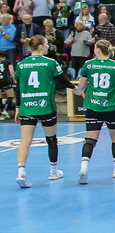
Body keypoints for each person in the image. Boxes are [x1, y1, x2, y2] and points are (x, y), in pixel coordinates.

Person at [14, 35, 74, 188]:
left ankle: (21, 172)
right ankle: (53, 171)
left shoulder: (21, 65)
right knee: (52, 139)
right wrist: (77, 89)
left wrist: (17, 107)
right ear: (40, 46)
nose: (48, 46)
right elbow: (62, 81)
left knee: (25, 141)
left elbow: (18, 88)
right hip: (45, 106)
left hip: (27, 106)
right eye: (46, 43)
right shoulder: (50, 63)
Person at [72, 39, 115, 184]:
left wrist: (75, 91)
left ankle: (84, 169)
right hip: (111, 107)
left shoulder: (88, 65)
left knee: (90, 139)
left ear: (98, 50)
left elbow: (81, 88)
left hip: (93, 107)